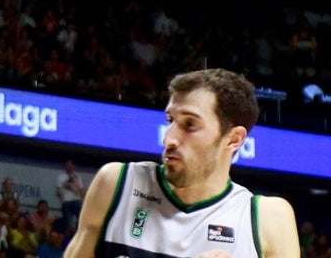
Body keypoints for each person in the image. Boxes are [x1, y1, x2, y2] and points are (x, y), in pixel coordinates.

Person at [63, 69, 299, 258]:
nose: (169, 138)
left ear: (234, 139)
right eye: (170, 120)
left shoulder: (267, 218)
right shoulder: (117, 183)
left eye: (190, 124)